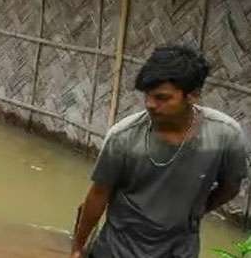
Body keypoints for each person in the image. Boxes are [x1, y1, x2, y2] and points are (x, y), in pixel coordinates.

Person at [71, 45, 248, 258]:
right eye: (147, 96)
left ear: (193, 96)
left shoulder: (224, 136)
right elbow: (98, 195)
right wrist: (78, 248)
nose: (150, 104)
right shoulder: (123, 137)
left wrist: (194, 213)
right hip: (118, 249)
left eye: (162, 98)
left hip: (179, 249)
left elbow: (230, 186)